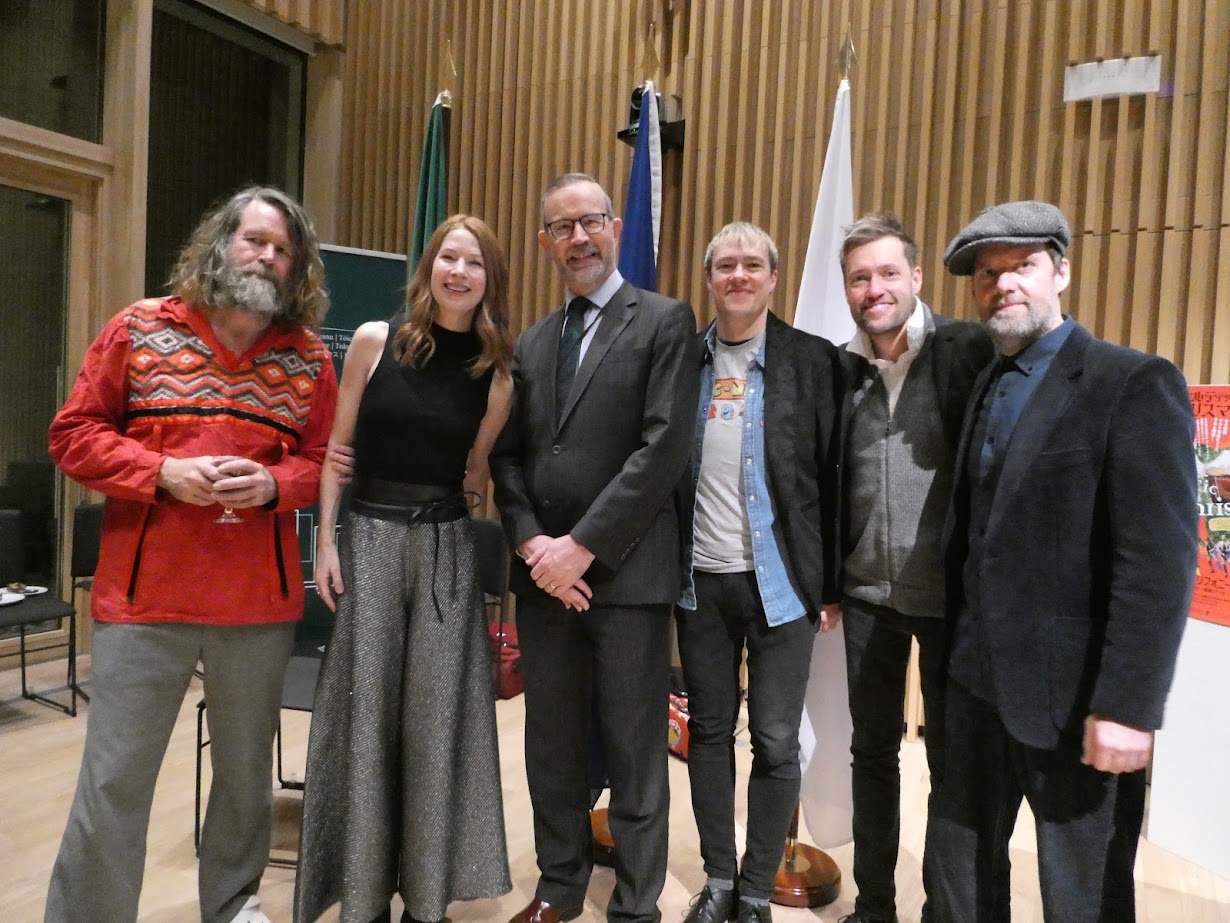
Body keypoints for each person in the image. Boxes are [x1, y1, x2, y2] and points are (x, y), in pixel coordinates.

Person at [45, 186, 338, 923]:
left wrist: (275, 483)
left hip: (255, 609)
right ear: (221, 243)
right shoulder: (138, 330)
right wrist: (160, 474)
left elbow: (327, 460)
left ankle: (234, 902)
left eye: (283, 249)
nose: (267, 257)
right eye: (255, 240)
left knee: (243, 778)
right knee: (115, 778)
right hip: (143, 602)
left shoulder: (307, 361)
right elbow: (72, 435)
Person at [929, 201, 1197, 921]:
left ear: (1062, 271)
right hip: (972, 685)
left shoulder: (1131, 382)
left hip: (1074, 702)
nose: (1003, 283)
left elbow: (1159, 561)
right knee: (958, 882)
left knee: (1083, 898)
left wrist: (1128, 705)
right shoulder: (987, 380)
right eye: (987, 273)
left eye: (1022, 265)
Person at [292, 215, 515, 922]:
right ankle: (362, 898)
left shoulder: (496, 373)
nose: (458, 271)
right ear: (428, 267)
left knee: (433, 724)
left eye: (473, 262)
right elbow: (336, 450)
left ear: (489, 280)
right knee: (367, 720)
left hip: (446, 550)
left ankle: (425, 897)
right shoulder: (371, 341)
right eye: (448, 256)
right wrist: (326, 543)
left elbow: (474, 472)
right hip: (372, 542)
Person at [490, 172, 697, 923]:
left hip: (626, 576)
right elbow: (507, 459)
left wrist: (583, 546)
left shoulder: (666, 321)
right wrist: (534, 543)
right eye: (561, 227)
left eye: (590, 222)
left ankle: (637, 904)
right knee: (550, 745)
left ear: (614, 227)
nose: (578, 238)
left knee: (636, 746)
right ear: (546, 243)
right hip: (545, 581)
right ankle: (559, 885)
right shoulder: (535, 341)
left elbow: (663, 447)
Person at [674, 222, 841, 923]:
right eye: (725, 265)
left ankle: (753, 888)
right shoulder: (681, 362)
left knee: (775, 737)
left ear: (773, 278)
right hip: (698, 581)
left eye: (752, 265)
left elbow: (836, 475)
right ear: (709, 279)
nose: (738, 275)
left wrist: (830, 582)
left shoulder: (815, 361)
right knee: (708, 731)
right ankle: (717, 877)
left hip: (784, 585)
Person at [834, 215, 993, 923]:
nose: (875, 289)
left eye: (887, 272)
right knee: (872, 754)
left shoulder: (967, 350)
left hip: (950, 598)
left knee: (952, 764)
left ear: (918, 277)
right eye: (860, 277)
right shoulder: (838, 368)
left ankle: (945, 909)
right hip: (865, 592)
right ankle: (875, 905)